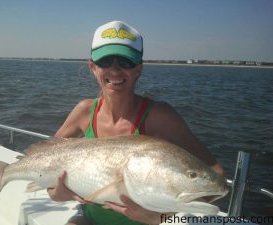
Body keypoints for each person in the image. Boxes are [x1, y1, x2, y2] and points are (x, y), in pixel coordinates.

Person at [47, 20, 225, 225]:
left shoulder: (159, 115)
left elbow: (216, 177)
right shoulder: (84, 112)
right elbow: (46, 160)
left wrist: (159, 217)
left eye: (125, 62)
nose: (115, 70)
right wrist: (55, 194)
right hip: (89, 218)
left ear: (138, 69)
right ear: (93, 67)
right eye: (105, 61)